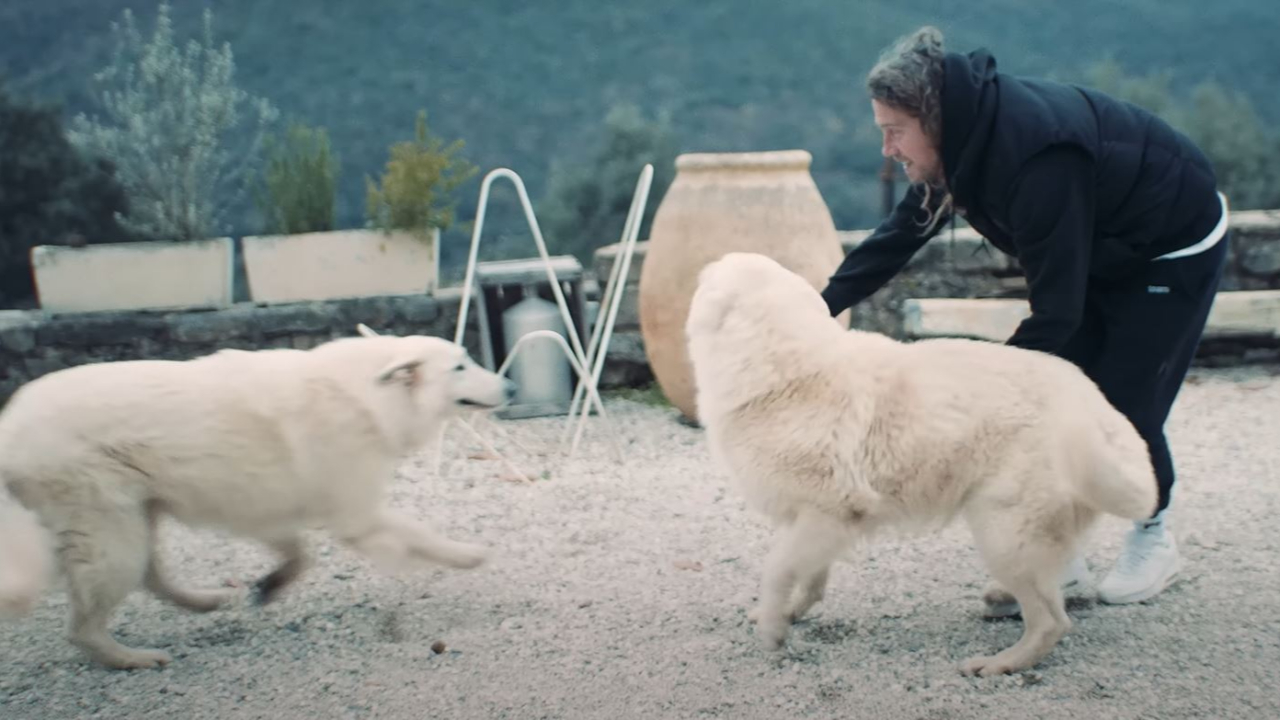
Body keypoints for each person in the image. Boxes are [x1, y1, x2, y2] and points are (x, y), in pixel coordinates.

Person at [821, 26, 1230, 607]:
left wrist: (986, 389)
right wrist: (817, 311)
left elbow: (1056, 313)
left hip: (1170, 243)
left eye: (895, 131)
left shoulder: (1039, 157)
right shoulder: (961, 143)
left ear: (933, 122)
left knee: (1121, 401)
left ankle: (1153, 535)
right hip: (1096, 245)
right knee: (1051, 404)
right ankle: (1055, 561)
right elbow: (896, 239)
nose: (887, 148)